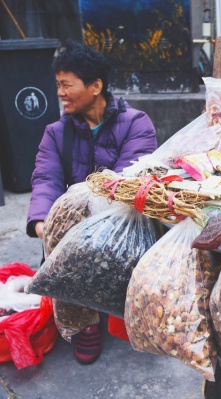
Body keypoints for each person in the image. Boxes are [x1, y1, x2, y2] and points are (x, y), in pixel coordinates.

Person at [26, 41, 157, 365]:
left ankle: (125, 308)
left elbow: (128, 181)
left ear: (95, 86)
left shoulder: (136, 123)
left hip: (120, 220)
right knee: (62, 239)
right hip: (73, 225)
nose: (60, 92)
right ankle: (83, 322)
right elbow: (46, 179)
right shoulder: (56, 133)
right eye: (57, 85)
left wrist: (86, 227)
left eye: (66, 84)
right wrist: (43, 222)